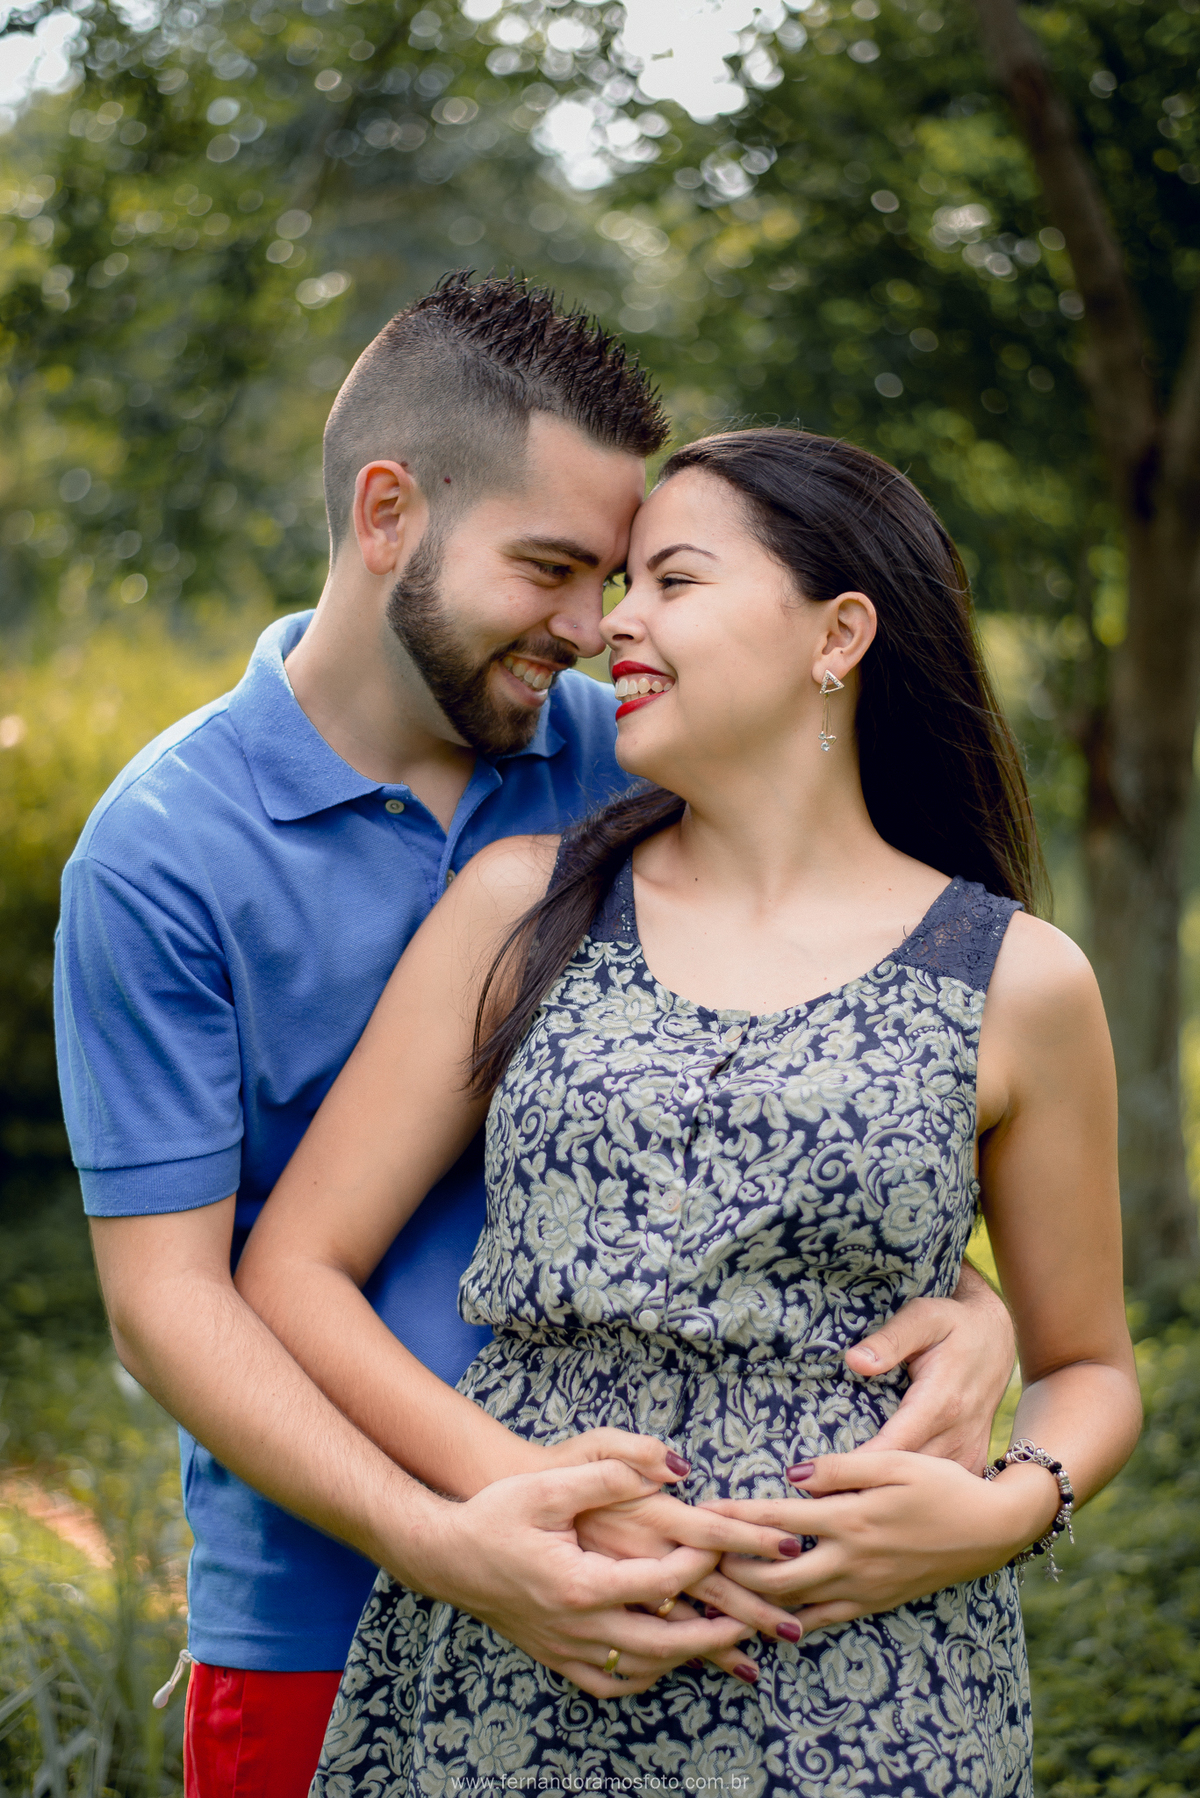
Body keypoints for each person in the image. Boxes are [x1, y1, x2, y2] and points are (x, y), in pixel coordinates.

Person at [56, 279, 1015, 1798]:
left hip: (681, 1585)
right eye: (553, 568)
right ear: (389, 515)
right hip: (324, 1595)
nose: (591, 627)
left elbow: (789, 1091)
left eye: (621, 575)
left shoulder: (628, 756)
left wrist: (971, 1301)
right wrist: (459, 1532)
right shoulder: (163, 852)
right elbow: (169, 1301)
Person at [236, 426, 1142, 1796]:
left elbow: (1090, 1365)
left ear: (839, 633)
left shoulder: (1018, 976)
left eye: (672, 580)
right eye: (616, 586)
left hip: (875, 1702)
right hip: (528, 1656)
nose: (612, 625)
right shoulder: (525, 907)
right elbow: (293, 1268)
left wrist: (1001, 1511)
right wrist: (515, 1497)